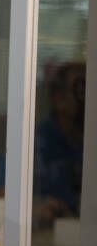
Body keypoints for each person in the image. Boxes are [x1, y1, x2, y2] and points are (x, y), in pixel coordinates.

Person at [33, 61, 86, 227]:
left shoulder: (88, 143)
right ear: (59, 99)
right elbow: (3, 192)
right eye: (81, 90)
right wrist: (35, 208)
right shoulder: (35, 142)